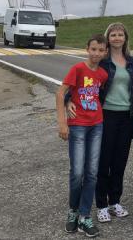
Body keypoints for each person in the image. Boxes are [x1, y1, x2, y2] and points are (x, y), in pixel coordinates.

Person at [55, 34, 108, 238]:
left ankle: (85, 216)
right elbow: (61, 93)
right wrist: (62, 123)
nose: (96, 53)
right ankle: (73, 212)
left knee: (92, 172)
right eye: (93, 49)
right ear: (87, 49)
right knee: (77, 172)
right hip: (77, 125)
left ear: (105, 52)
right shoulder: (77, 69)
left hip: (96, 125)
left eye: (100, 50)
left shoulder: (103, 74)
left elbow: (97, 95)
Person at [94, 23, 133, 223]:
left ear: (125, 38)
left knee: (120, 161)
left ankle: (115, 201)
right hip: (106, 115)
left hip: (126, 117)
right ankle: (101, 204)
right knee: (104, 161)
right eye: (113, 34)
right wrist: (70, 99)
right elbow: (85, 79)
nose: (117, 38)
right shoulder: (102, 62)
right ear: (108, 37)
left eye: (121, 34)